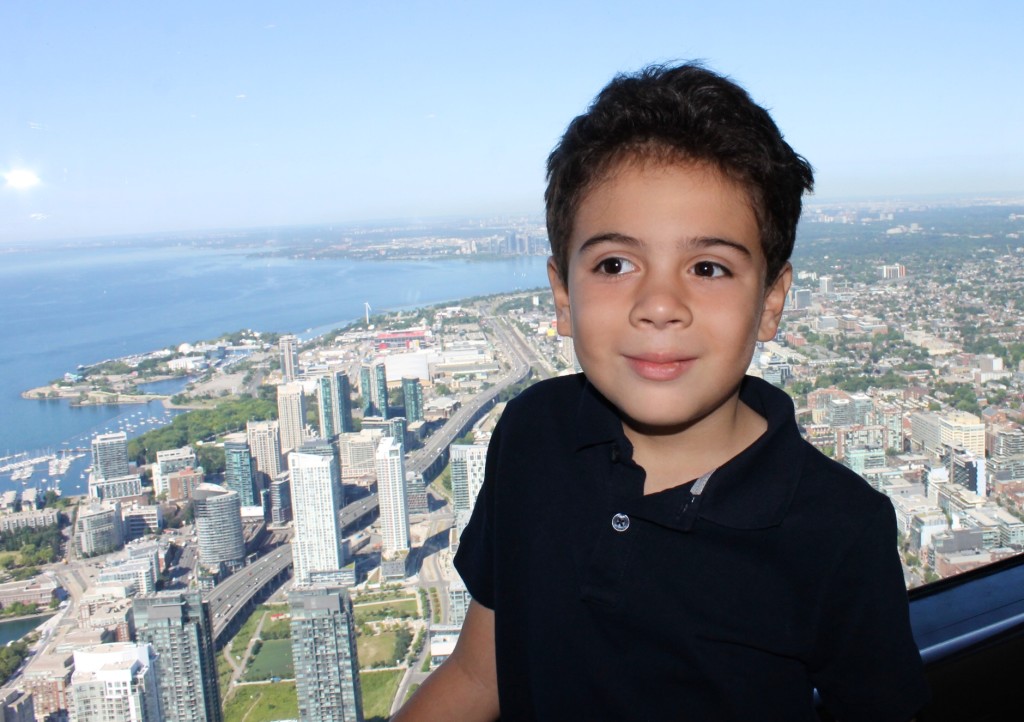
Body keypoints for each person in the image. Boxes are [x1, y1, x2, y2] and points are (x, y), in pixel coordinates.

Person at [394, 63, 929, 721]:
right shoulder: (532, 434)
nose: (659, 304)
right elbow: (481, 676)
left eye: (708, 268)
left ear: (770, 300)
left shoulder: (840, 530)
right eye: (615, 265)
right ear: (564, 295)